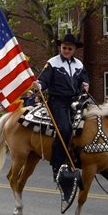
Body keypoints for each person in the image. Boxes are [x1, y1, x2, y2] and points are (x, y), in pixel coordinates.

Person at [32, 32, 89, 180]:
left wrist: (85, 85)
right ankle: (56, 164)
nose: (66, 51)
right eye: (64, 48)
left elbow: (84, 79)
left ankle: (79, 156)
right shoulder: (53, 62)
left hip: (76, 101)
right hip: (57, 101)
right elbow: (44, 80)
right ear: (60, 47)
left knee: (92, 124)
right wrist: (38, 85)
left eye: (69, 49)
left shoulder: (79, 64)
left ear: (74, 49)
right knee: (65, 128)